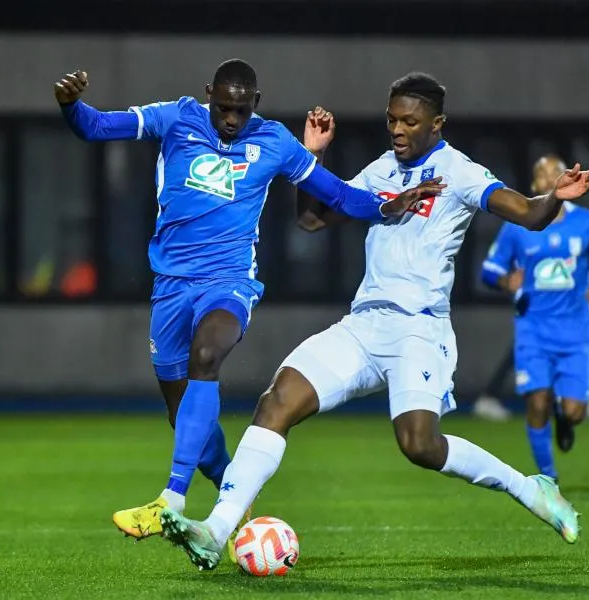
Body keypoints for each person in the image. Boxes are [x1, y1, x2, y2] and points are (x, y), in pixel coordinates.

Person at [156, 73, 589, 570]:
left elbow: (527, 213)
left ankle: (527, 488)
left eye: (409, 121)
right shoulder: (381, 170)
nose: (397, 129)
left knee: (419, 444)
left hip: (419, 329)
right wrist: (313, 156)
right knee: (277, 401)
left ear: (437, 124)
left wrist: (555, 197)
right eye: (392, 119)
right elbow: (312, 219)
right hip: (364, 324)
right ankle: (215, 530)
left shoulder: (458, 171)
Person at [53, 60, 443, 553]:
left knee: (207, 355)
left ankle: (171, 499)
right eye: (223, 108)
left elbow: (339, 196)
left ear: (255, 103)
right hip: (171, 286)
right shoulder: (176, 117)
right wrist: (71, 105)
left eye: (241, 110)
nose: (232, 119)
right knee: (181, 412)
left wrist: (389, 204)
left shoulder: (274, 141)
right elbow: (95, 127)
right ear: (208, 94)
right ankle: (232, 499)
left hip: (229, 282)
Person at [481, 154, 589, 482]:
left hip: (575, 331)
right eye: (543, 173)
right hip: (533, 330)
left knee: (575, 412)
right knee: (536, 401)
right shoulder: (516, 227)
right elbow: (489, 270)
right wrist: (505, 281)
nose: (551, 176)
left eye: (557, 170)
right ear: (534, 185)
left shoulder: (587, 223)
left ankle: (565, 416)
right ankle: (548, 480)